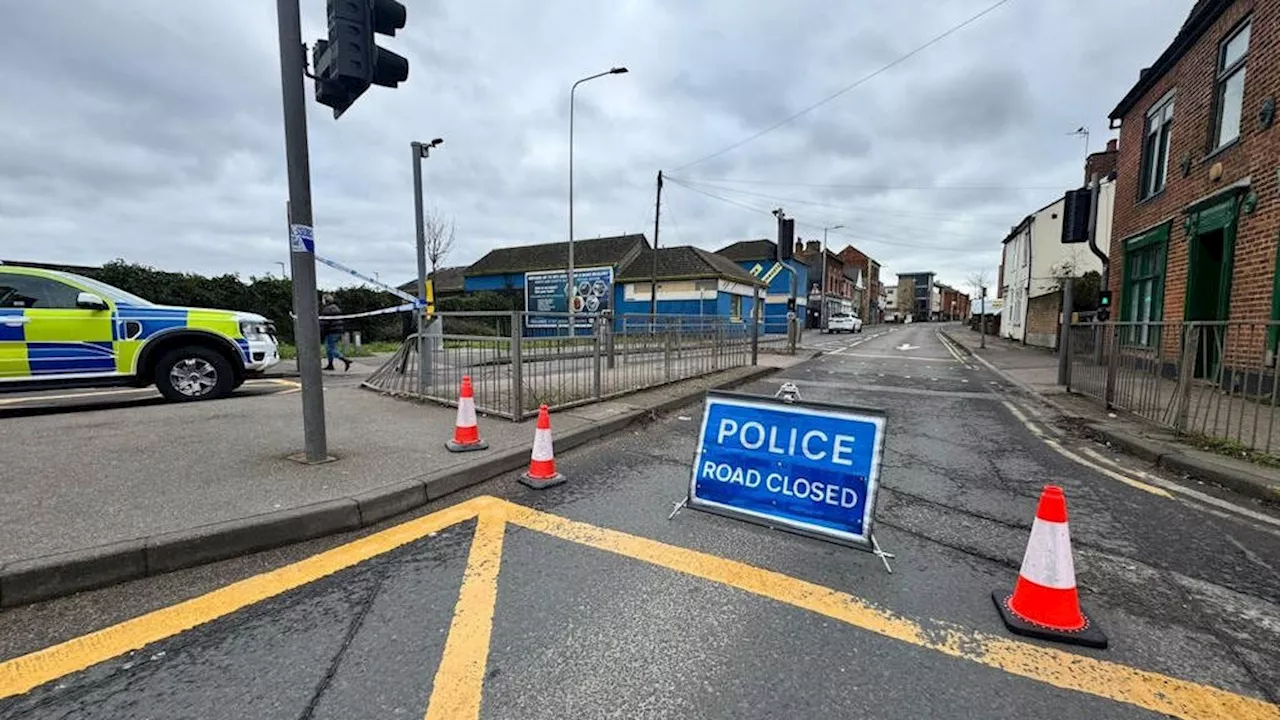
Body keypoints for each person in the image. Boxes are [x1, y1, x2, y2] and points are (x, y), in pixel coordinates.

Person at [319, 294, 351, 372]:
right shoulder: (336, 308)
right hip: (337, 331)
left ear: (326, 301)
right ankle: (330, 364)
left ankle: (344, 359)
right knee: (330, 347)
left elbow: (324, 323)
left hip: (331, 331)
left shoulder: (327, 310)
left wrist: (321, 332)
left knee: (330, 348)